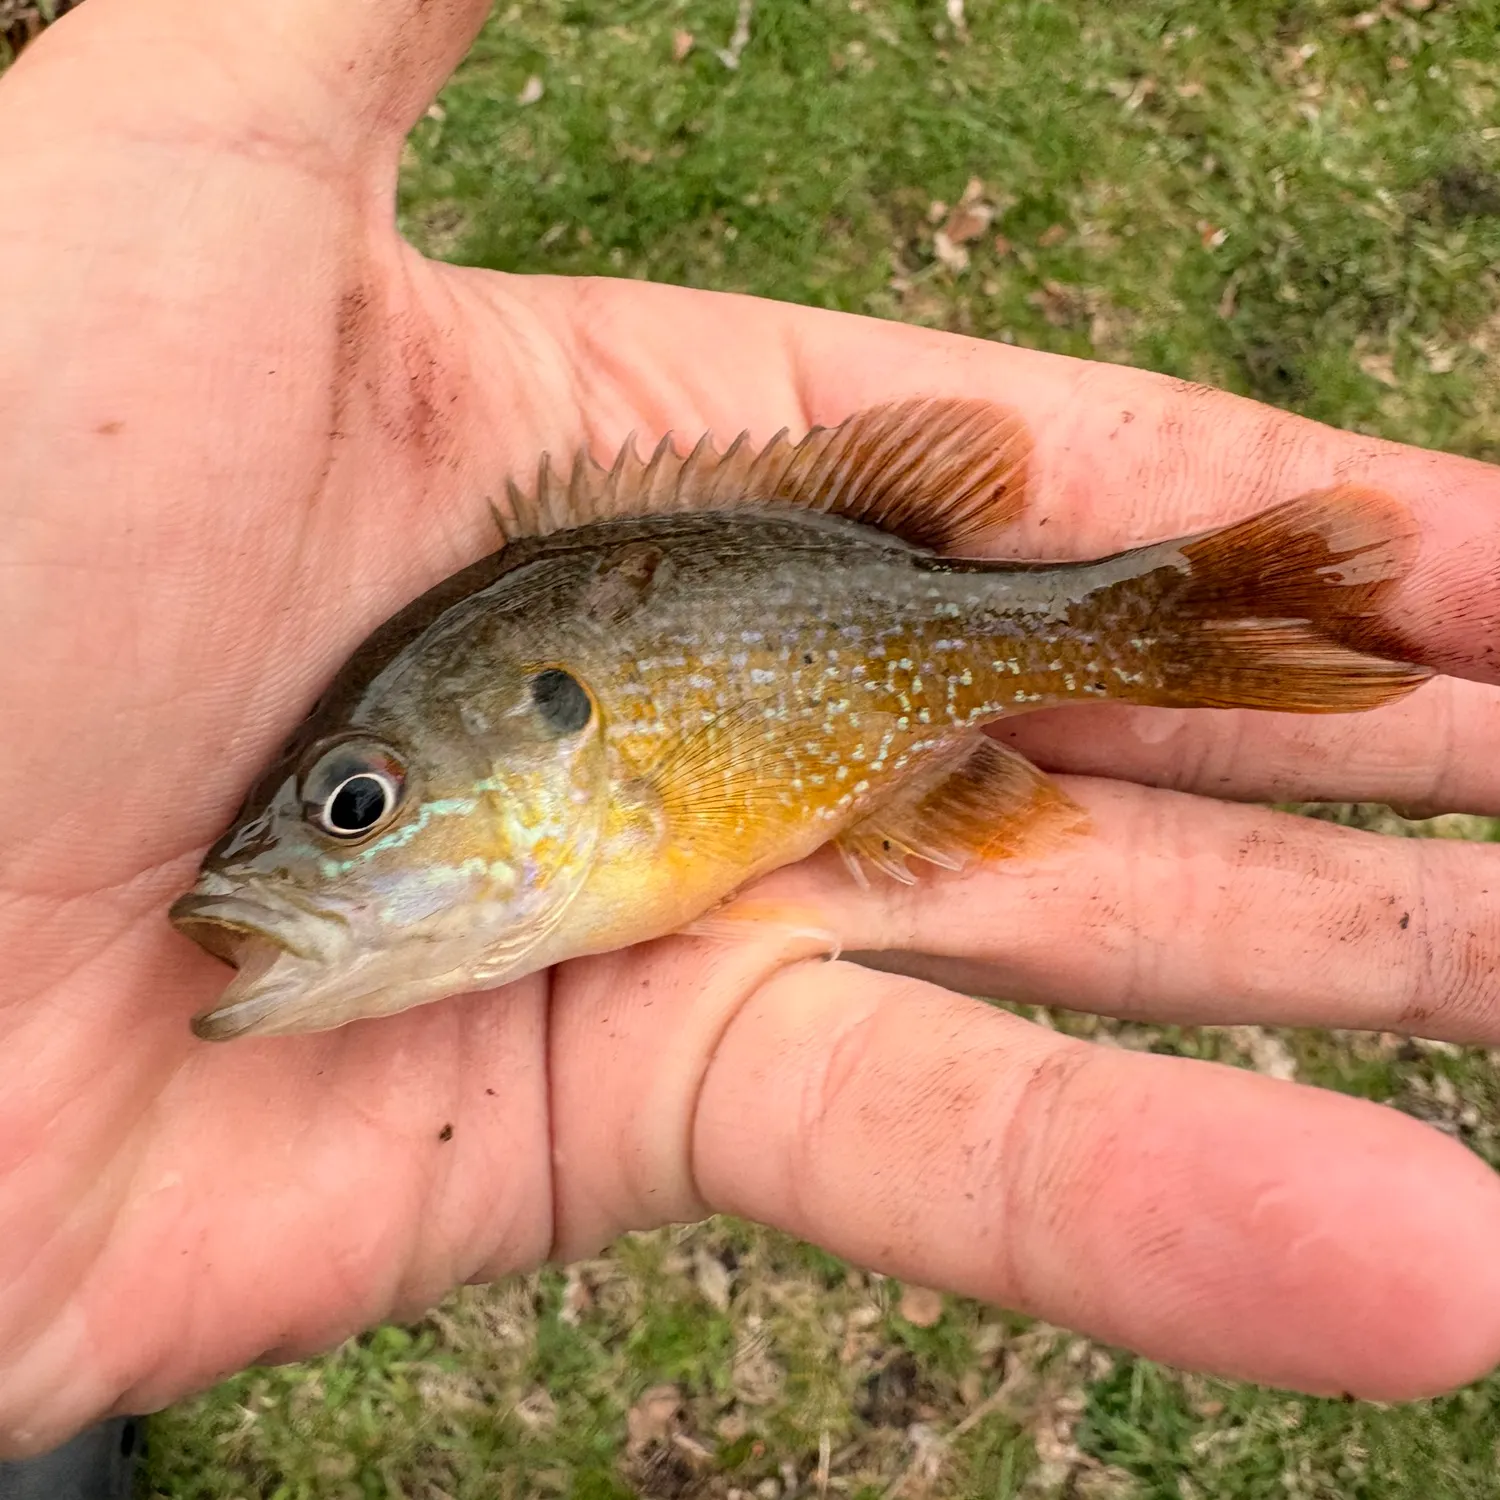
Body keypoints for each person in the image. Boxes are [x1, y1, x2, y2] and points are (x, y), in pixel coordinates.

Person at [1, 0, 1498, 1477]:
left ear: (556, 736)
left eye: (353, 805)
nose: (321, 843)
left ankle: (1227, 604)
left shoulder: (603, 753)